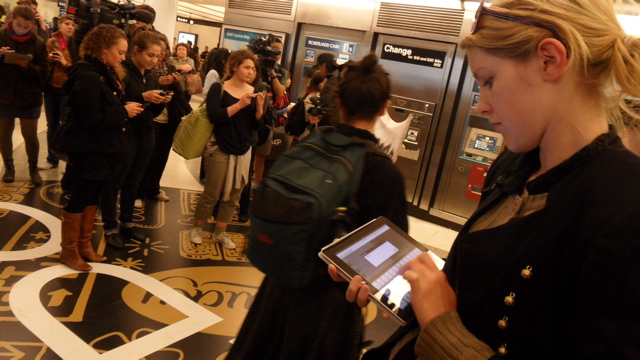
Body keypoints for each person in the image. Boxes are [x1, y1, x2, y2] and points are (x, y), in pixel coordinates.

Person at [336, 1, 640, 359]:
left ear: (550, 59)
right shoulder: (516, 162)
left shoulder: (625, 205)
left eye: (489, 81)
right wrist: (418, 285)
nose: (482, 104)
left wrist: (440, 327)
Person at [228, 54, 408, 360]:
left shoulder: (308, 148)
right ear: (383, 107)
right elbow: (393, 256)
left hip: (277, 291)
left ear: (338, 101)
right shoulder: (381, 171)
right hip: (330, 307)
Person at [58, 24, 144, 271]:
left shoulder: (104, 72)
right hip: (88, 149)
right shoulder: (88, 75)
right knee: (81, 197)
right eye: (120, 52)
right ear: (104, 50)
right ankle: (69, 249)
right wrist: (123, 111)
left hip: (101, 148)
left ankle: (84, 244)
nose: (123, 57)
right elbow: (91, 118)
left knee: (92, 195)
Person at [188, 49, 265, 248]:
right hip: (219, 147)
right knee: (212, 193)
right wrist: (239, 105)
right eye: (247, 67)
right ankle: (197, 227)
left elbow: (255, 126)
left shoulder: (253, 92)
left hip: (244, 149)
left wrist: (258, 111)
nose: (251, 72)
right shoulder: (219, 88)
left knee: (234, 195)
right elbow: (215, 116)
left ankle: (220, 232)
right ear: (234, 67)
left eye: (254, 69)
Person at [101, 30, 169, 249]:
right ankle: (110, 227)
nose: (154, 60)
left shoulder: (150, 75)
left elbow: (149, 111)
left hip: (145, 134)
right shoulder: (122, 72)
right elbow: (119, 105)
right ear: (136, 51)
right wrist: (143, 97)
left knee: (134, 181)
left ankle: (127, 223)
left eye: (157, 56)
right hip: (125, 135)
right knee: (115, 182)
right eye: (150, 55)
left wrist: (160, 100)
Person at [0, 5, 50, 185]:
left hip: (29, 96)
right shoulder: (1, 36)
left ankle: (32, 168)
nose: (21, 30)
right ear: (11, 19)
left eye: (26, 27)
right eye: (19, 25)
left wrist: (28, 66)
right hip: (4, 94)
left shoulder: (38, 43)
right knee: (4, 133)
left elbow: (45, 72)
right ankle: (9, 167)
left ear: (32, 25)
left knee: (30, 135)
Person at [137, 32, 185, 204]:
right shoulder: (148, 69)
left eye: (164, 50)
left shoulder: (170, 67)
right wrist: (160, 82)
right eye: (159, 50)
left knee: (162, 156)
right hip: (151, 118)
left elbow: (179, 93)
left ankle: (154, 188)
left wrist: (174, 81)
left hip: (168, 118)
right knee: (147, 158)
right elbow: (143, 89)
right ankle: (138, 192)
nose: (162, 54)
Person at [41, 14, 75, 170]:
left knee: (66, 126)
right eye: (67, 24)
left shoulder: (77, 45)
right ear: (60, 25)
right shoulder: (52, 42)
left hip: (67, 89)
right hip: (50, 87)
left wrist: (64, 62)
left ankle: (68, 162)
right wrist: (49, 58)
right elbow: (43, 63)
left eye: (73, 25)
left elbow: (78, 69)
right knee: (52, 126)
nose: (70, 27)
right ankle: (52, 159)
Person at [314, 52, 340, 126]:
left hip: (330, 125)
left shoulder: (333, 80)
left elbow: (329, 104)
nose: (319, 71)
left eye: (319, 67)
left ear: (324, 65)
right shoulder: (336, 77)